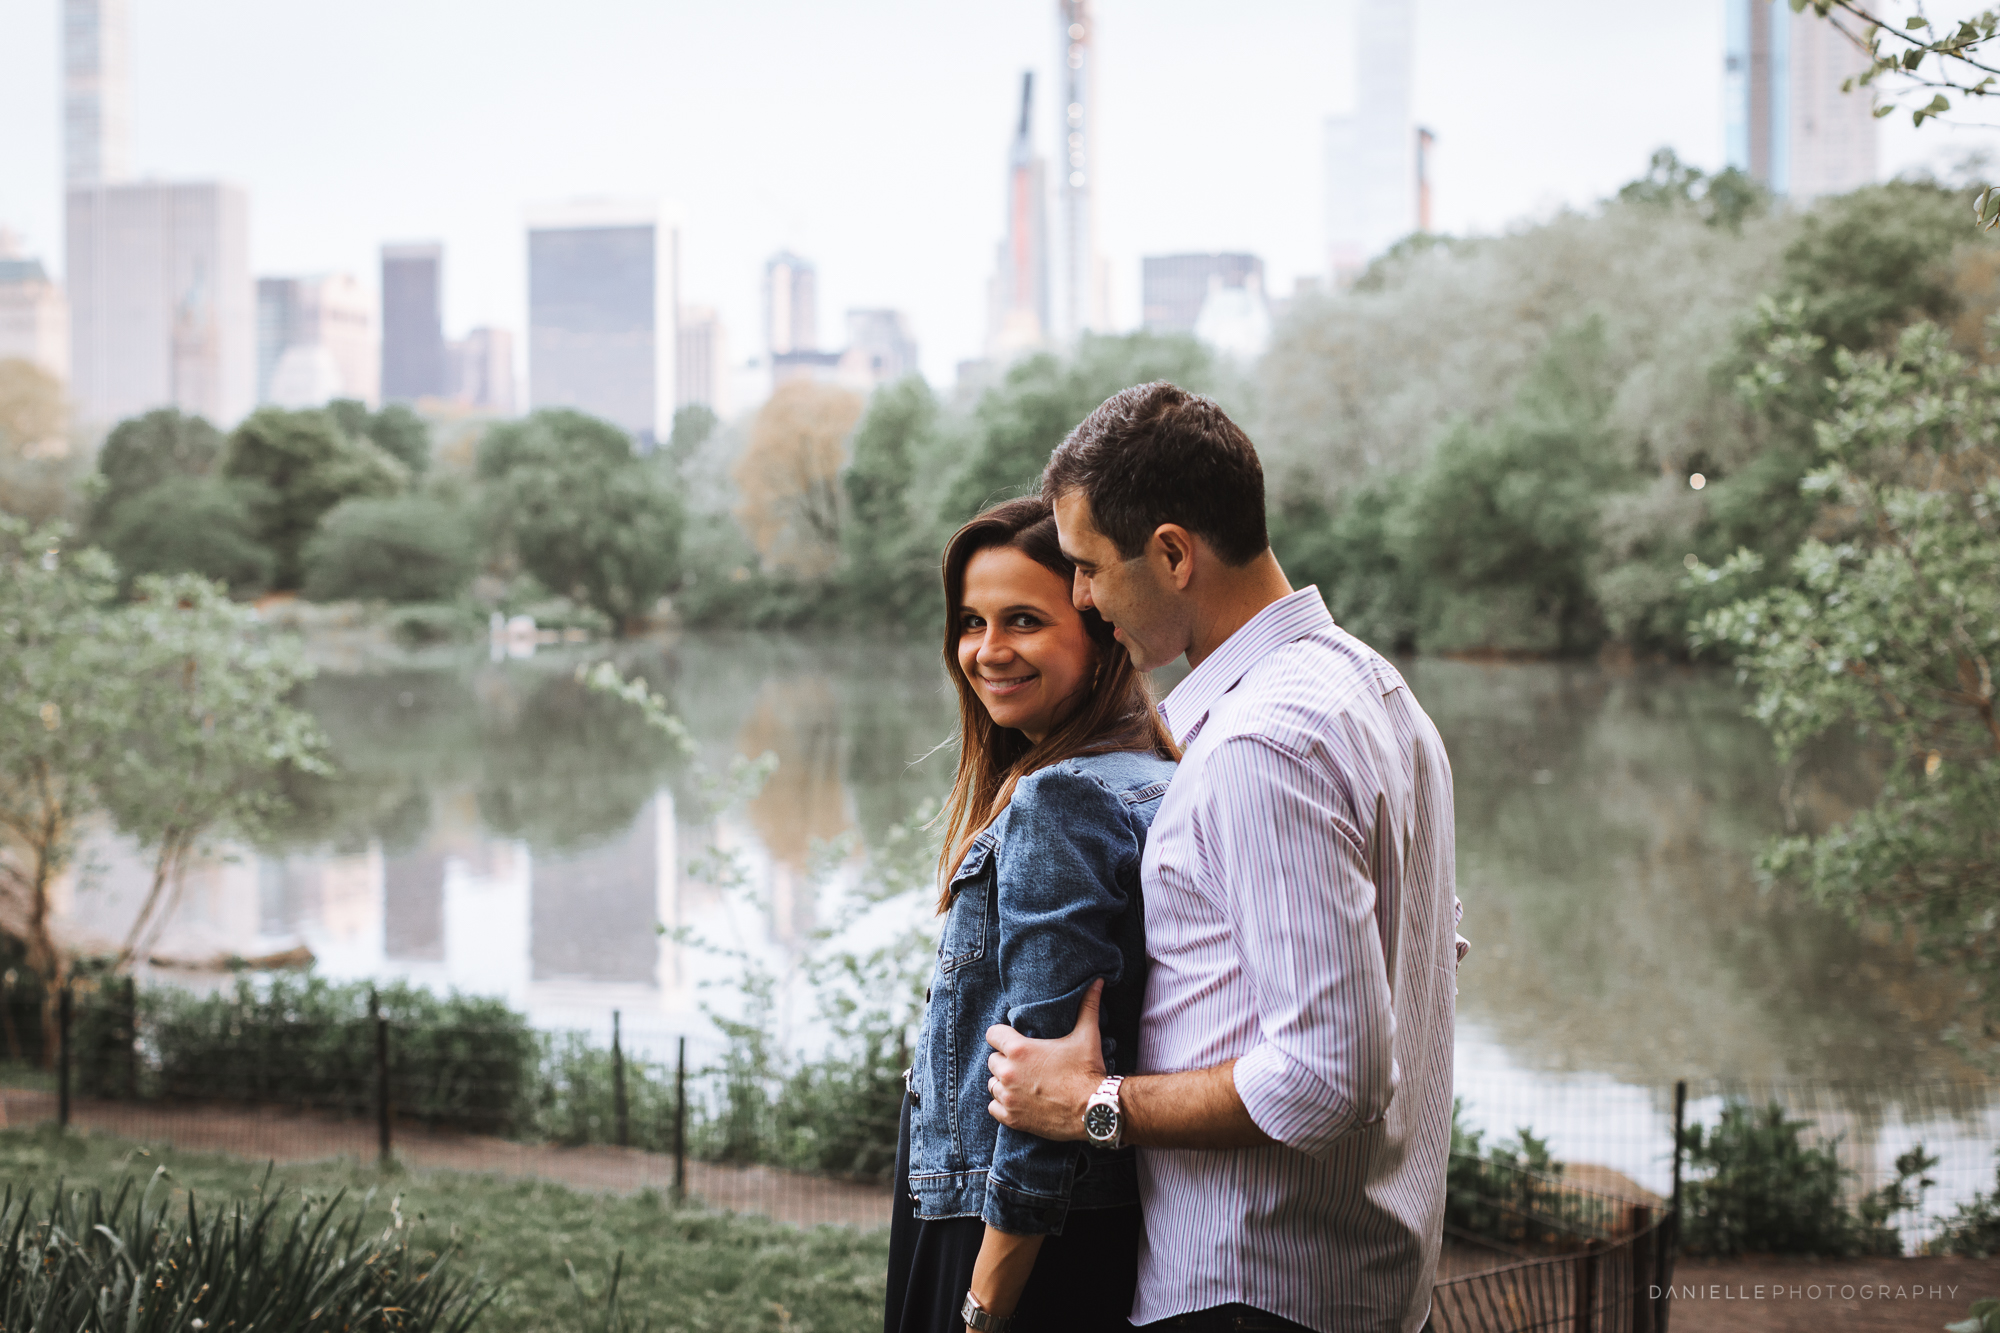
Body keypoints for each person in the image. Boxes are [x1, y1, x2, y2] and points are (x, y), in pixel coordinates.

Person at [983, 382, 1466, 1333]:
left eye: (1086, 566)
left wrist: (1092, 1104)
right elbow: (1424, 962)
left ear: (1171, 553)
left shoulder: (1261, 745)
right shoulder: (1379, 692)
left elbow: (1330, 1075)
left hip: (1253, 1290)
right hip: (1360, 1279)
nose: (1079, 596)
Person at [885, 495, 1180, 1333]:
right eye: (971, 622)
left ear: (1101, 632)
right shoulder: (1156, 767)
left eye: (1022, 619)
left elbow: (1044, 1098)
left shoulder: (1063, 799)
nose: (986, 650)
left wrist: (981, 1304)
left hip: (1006, 1233)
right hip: (1080, 1227)